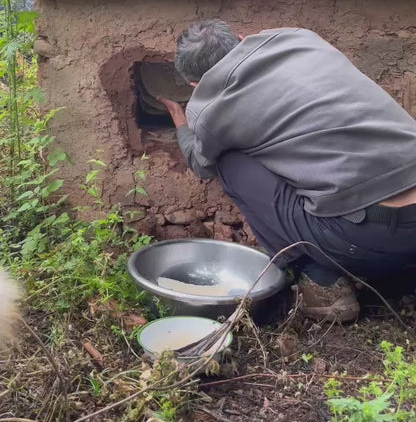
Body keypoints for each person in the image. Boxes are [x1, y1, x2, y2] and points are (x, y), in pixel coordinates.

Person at [158, 20, 416, 322]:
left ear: (195, 86)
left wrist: (181, 123)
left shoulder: (210, 112)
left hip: (370, 237)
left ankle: (321, 281)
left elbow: (202, 164)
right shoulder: (302, 38)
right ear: (241, 38)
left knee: (229, 162)